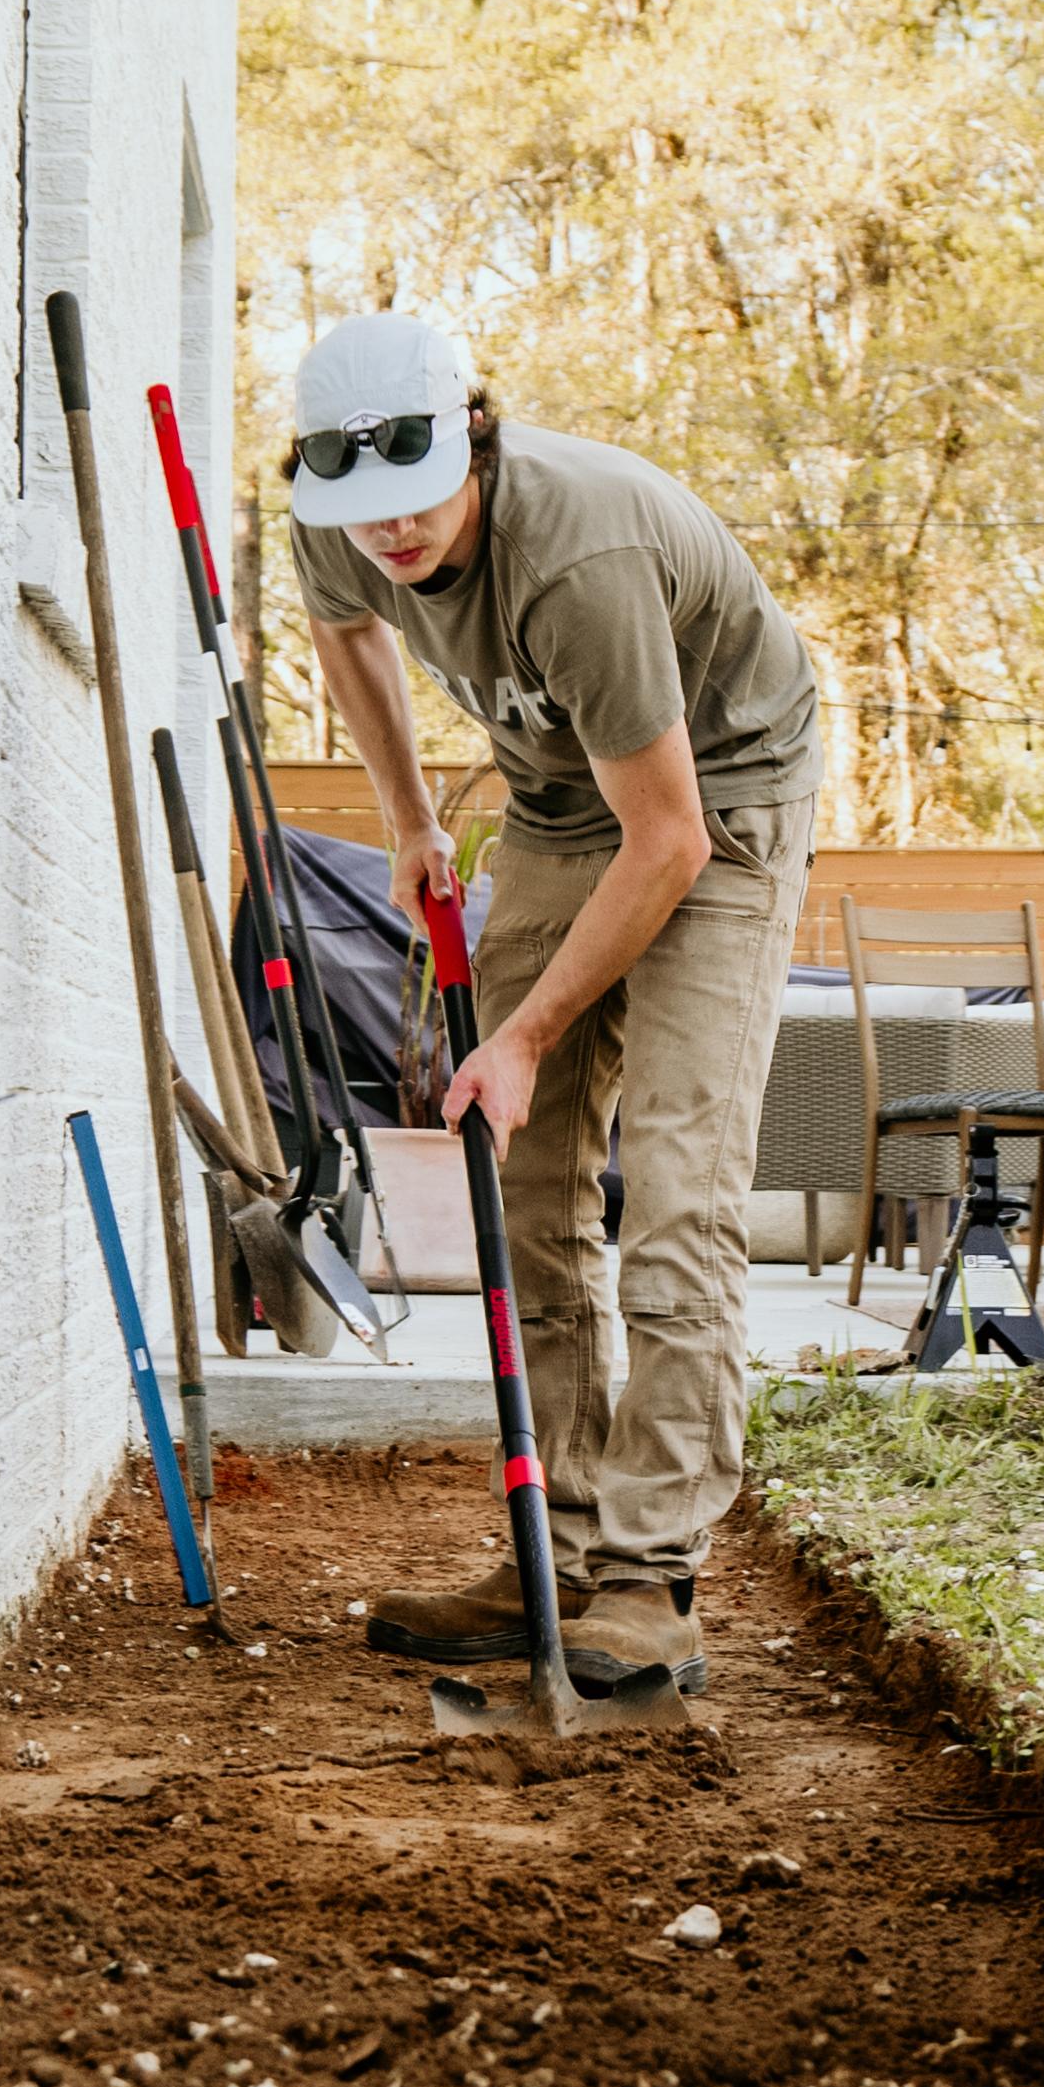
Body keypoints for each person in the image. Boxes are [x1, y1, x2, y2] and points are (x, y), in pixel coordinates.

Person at [285, 309, 820, 1694]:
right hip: (558, 804)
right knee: (521, 1189)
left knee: (683, 1191)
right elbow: (349, 636)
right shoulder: (331, 516)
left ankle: (652, 1577)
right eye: (362, 510)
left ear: (471, 431)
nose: (388, 536)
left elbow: (673, 840)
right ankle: (563, 1552)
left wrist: (524, 1034)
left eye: (413, 502)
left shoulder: (576, 553)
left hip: (722, 797)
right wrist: (407, 816)